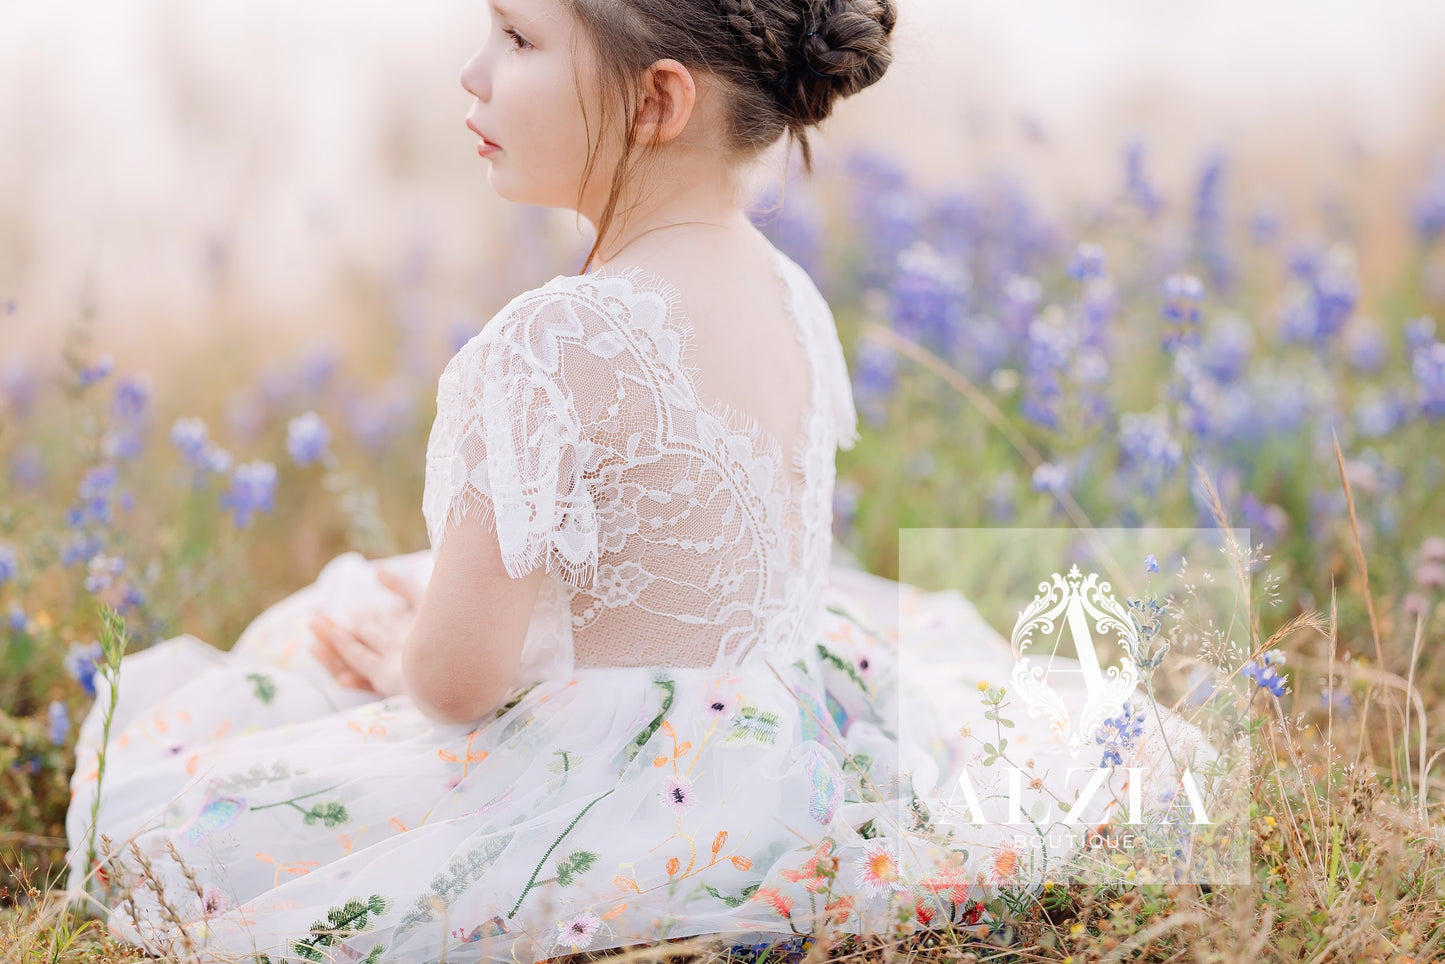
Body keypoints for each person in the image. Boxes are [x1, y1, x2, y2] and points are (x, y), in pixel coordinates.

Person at [63, 0, 1223, 960]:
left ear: (656, 101)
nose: (471, 72)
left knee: (272, 693)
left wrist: (406, 656)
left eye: (516, 40)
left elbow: (461, 685)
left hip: (617, 780)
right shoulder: (789, 295)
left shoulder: (544, 346)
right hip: (784, 732)